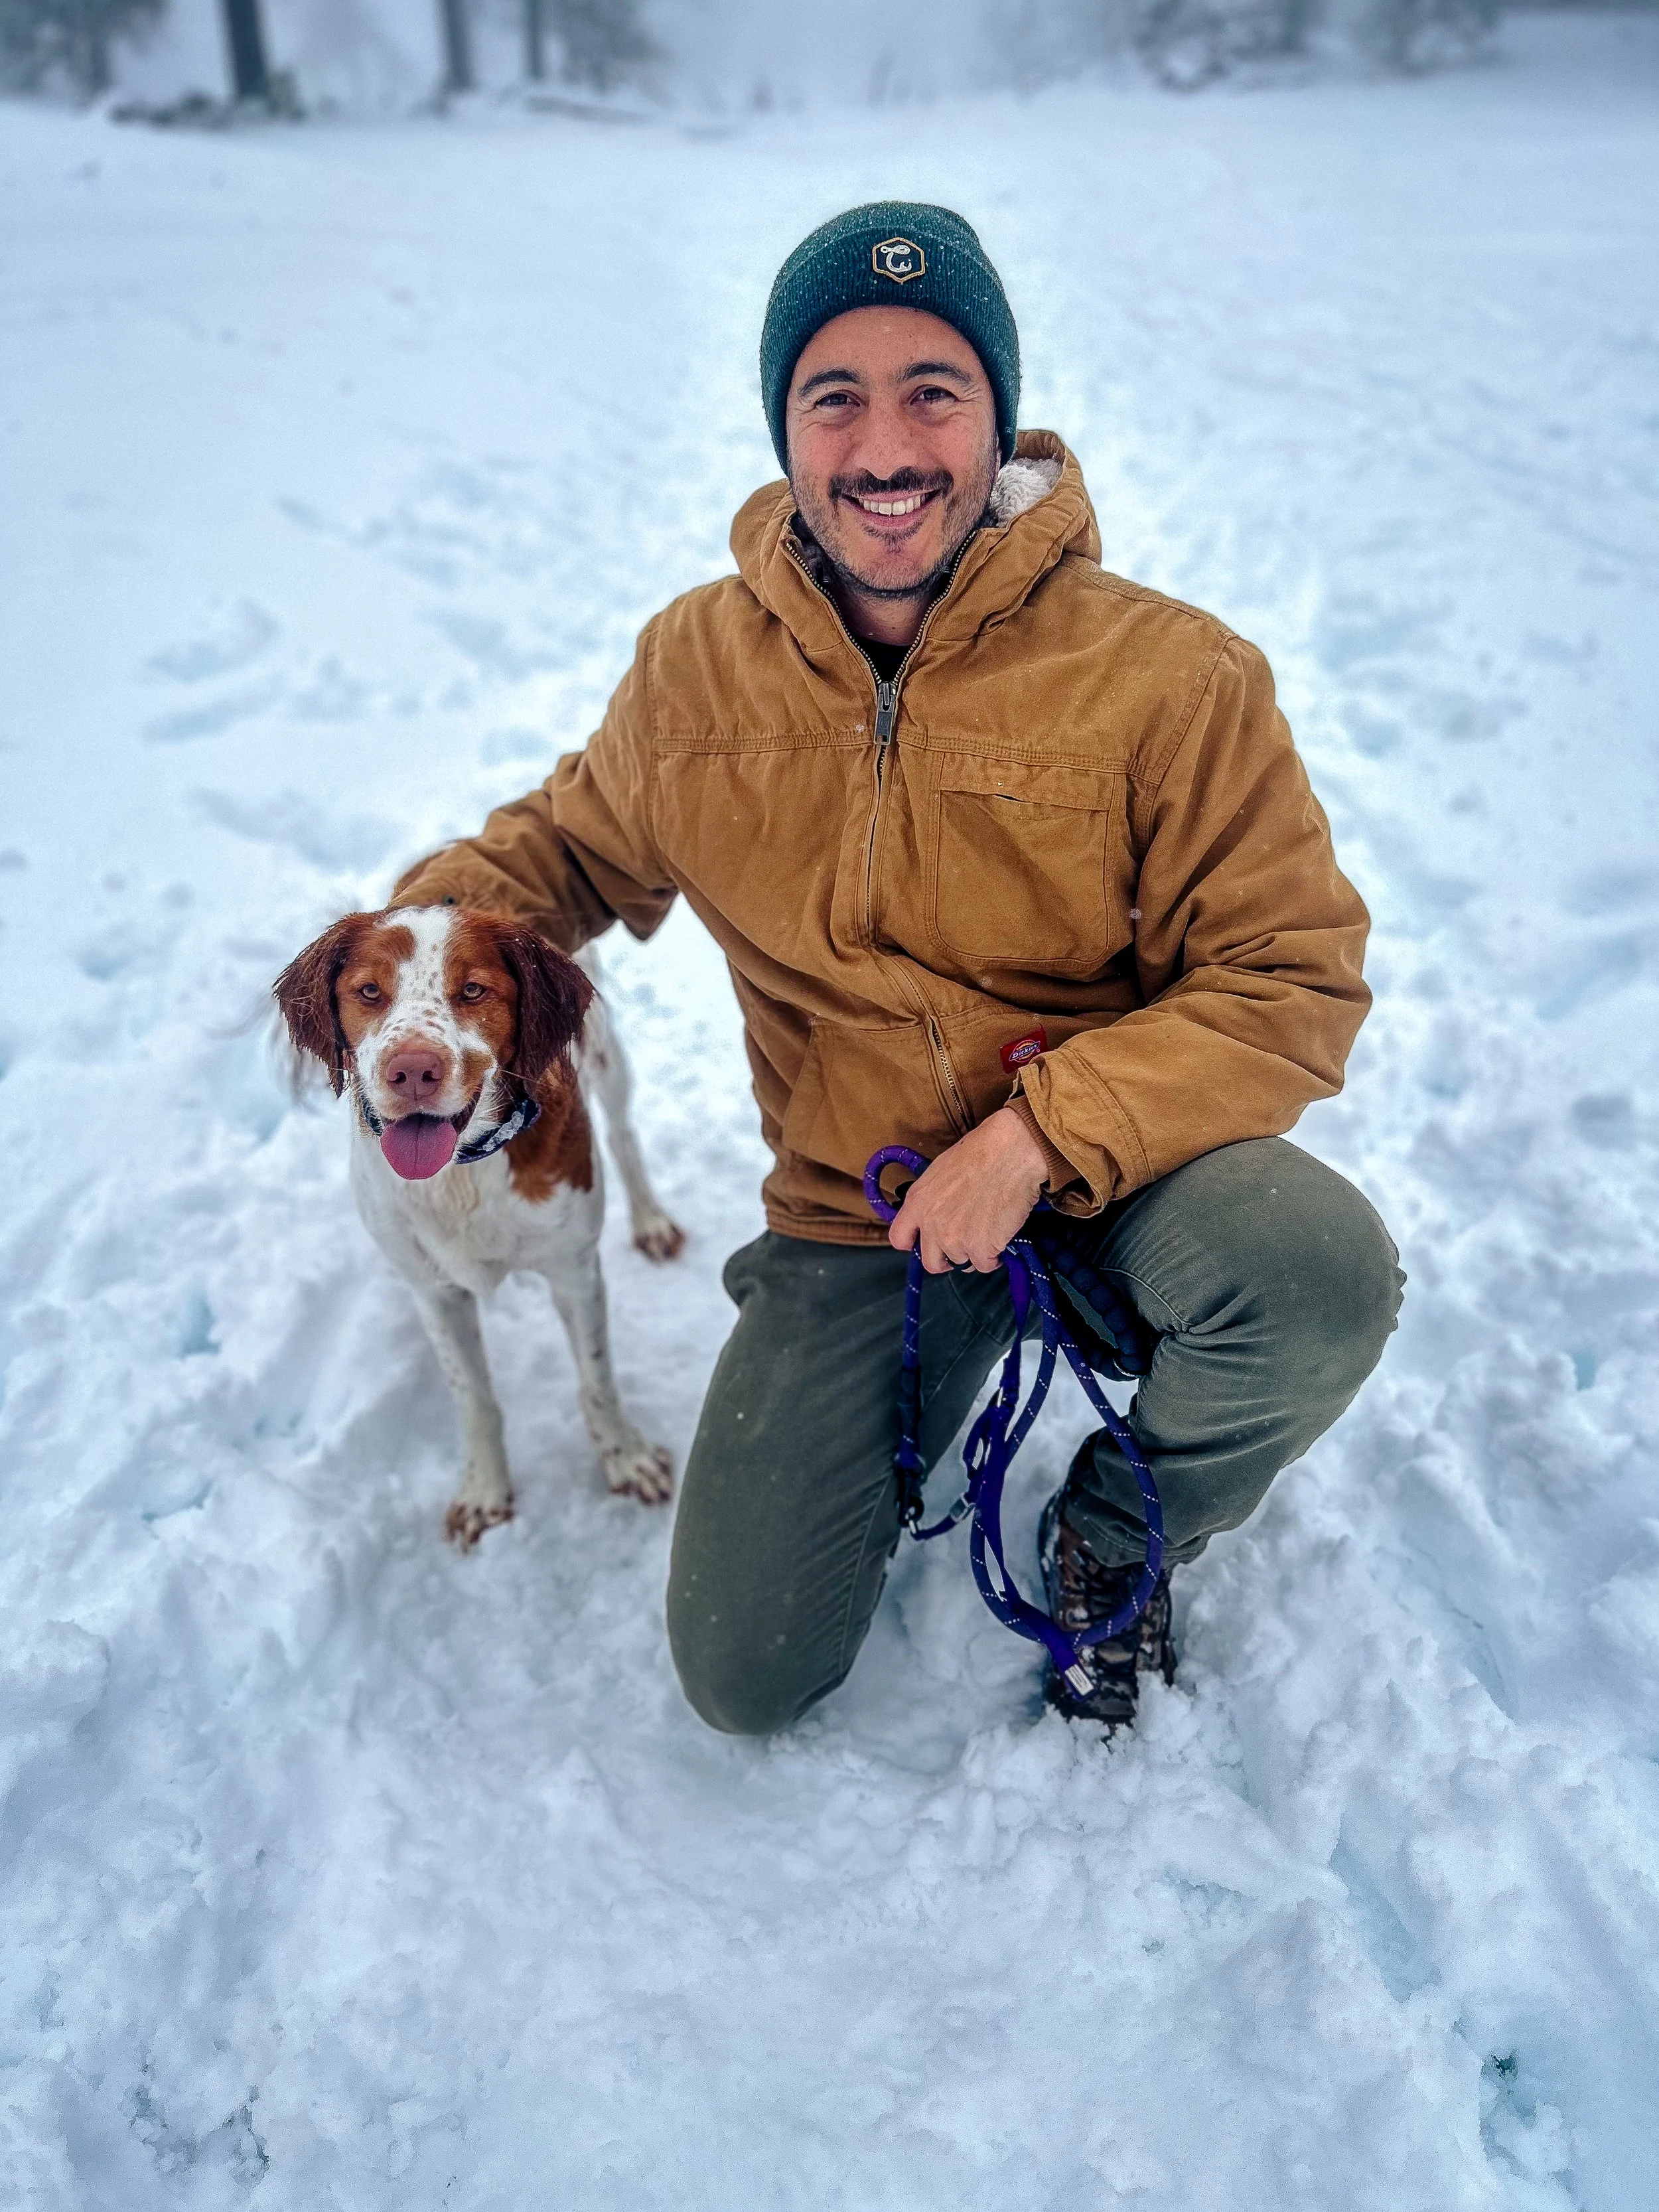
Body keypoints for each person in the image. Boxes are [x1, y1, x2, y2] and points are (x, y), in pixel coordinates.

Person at [392, 201, 1403, 1735]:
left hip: (1113, 1171)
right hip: (858, 1209)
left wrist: (1042, 1137)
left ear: (998, 417)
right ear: (784, 433)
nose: (884, 446)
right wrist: (397, 967)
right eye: (833, 396)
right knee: (743, 1672)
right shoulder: (695, 668)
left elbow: (1290, 971)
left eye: (932, 390)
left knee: (1314, 1271)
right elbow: (567, 853)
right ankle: (872, 1387)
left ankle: (1119, 1527)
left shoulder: (1170, 676)